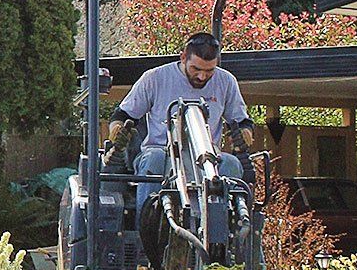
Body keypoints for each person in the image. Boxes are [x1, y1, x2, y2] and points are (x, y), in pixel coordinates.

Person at [104, 31, 256, 217]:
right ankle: (146, 226)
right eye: (196, 69)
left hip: (208, 157)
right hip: (162, 152)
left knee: (231, 164)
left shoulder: (226, 82)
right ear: (183, 57)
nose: (202, 77)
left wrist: (246, 132)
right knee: (154, 160)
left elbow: (241, 121)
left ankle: (228, 230)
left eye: (209, 71)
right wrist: (117, 128)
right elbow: (123, 115)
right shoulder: (155, 78)